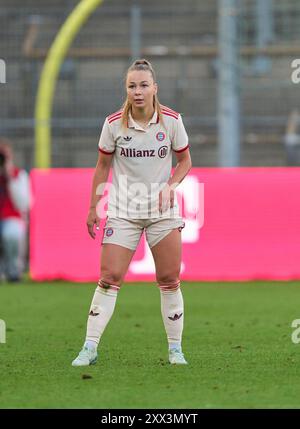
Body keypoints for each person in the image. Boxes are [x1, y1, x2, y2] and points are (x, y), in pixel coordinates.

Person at [72, 59, 192, 366]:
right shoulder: (113, 124)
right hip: (124, 211)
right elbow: (102, 166)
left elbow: (185, 161)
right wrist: (93, 207)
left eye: (143, 85)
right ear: (126, 89)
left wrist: (171, 185)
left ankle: (175, 349)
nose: (137, 92)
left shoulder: (172, 121)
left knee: (168, 278)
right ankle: (90, 347)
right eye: (131, 86)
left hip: (161, 211)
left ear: (155, 88)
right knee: (109, 276)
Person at [0, 138, 30, 282]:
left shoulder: (19, 175)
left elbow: (24, 204)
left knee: (11, 233)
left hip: (11, 217)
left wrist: (10, 177)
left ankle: (13, 271)